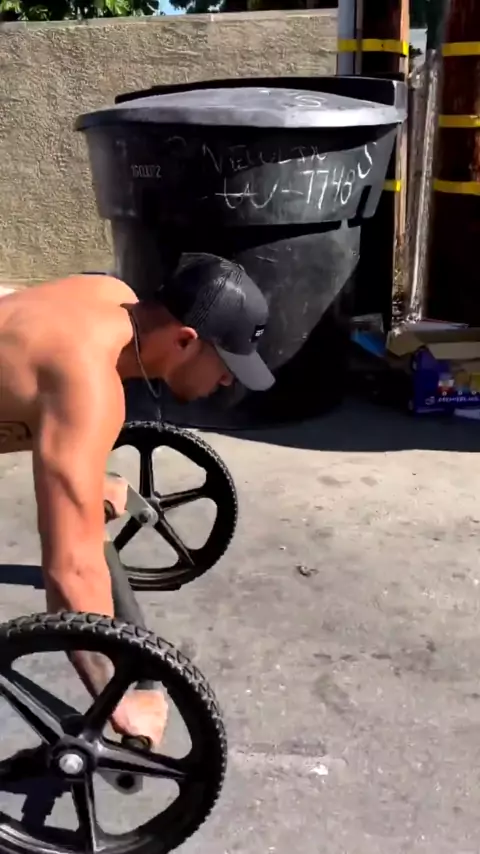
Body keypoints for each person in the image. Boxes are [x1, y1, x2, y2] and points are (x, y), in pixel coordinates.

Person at [0, 252, 274, 748]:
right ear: (185, 340)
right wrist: (119, 697)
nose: (228, 381)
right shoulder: (86, 382)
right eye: (225, 365)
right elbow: (70, 571)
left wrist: (84, 477)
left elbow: (33, 380)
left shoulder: (111, 296)